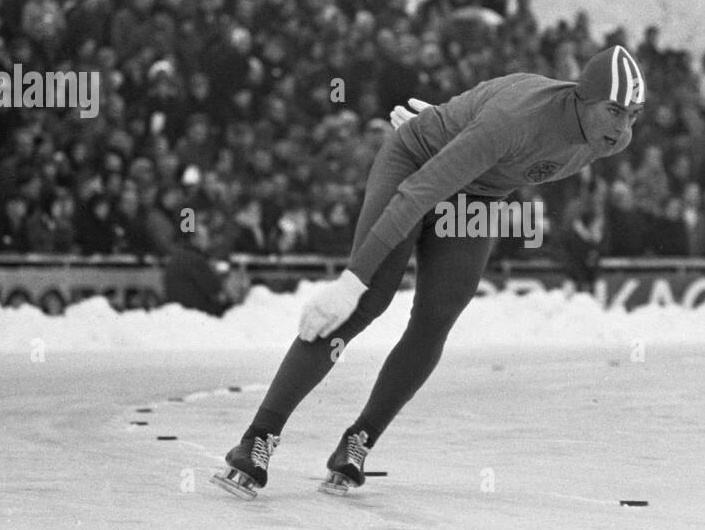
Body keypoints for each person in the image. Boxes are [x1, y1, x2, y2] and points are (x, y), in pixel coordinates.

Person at [213, 45, 646, 499]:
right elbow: (421, 192)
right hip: (417, 165)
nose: (622, 129)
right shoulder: (515, 120)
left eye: (633, 115)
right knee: (366, 302)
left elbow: (499, 109)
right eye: (615, 111)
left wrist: (453, 120)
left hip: (477, 198)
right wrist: (352, 279)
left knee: (438, 316)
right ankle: (258, 437)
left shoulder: (608, 140)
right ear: (581, 97)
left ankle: (358, 440)